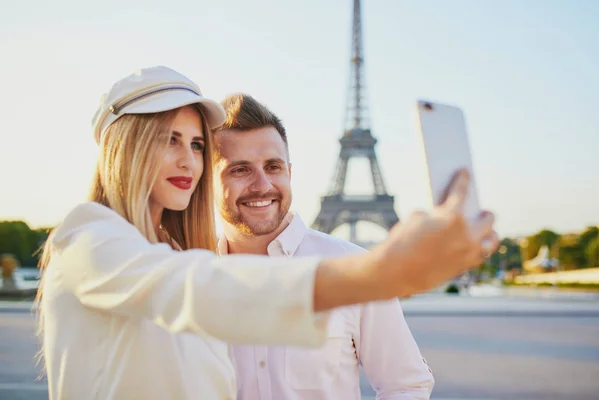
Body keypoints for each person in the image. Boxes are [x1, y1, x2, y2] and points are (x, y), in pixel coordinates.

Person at [36, 65, 498, 400]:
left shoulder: (173, 253)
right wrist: (382, 272)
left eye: (196, 144)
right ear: (125, 148)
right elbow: (192, 289)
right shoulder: (87, 236)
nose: (186, 160)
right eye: (168, 139)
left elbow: (406, 384)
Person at [213, 93, 434, 399]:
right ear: (205, 181)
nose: (262, 184)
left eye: (273, 167)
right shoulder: (188, 276)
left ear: (290, 172)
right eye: (240, 169)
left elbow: (407, 385)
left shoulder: (356, 268)